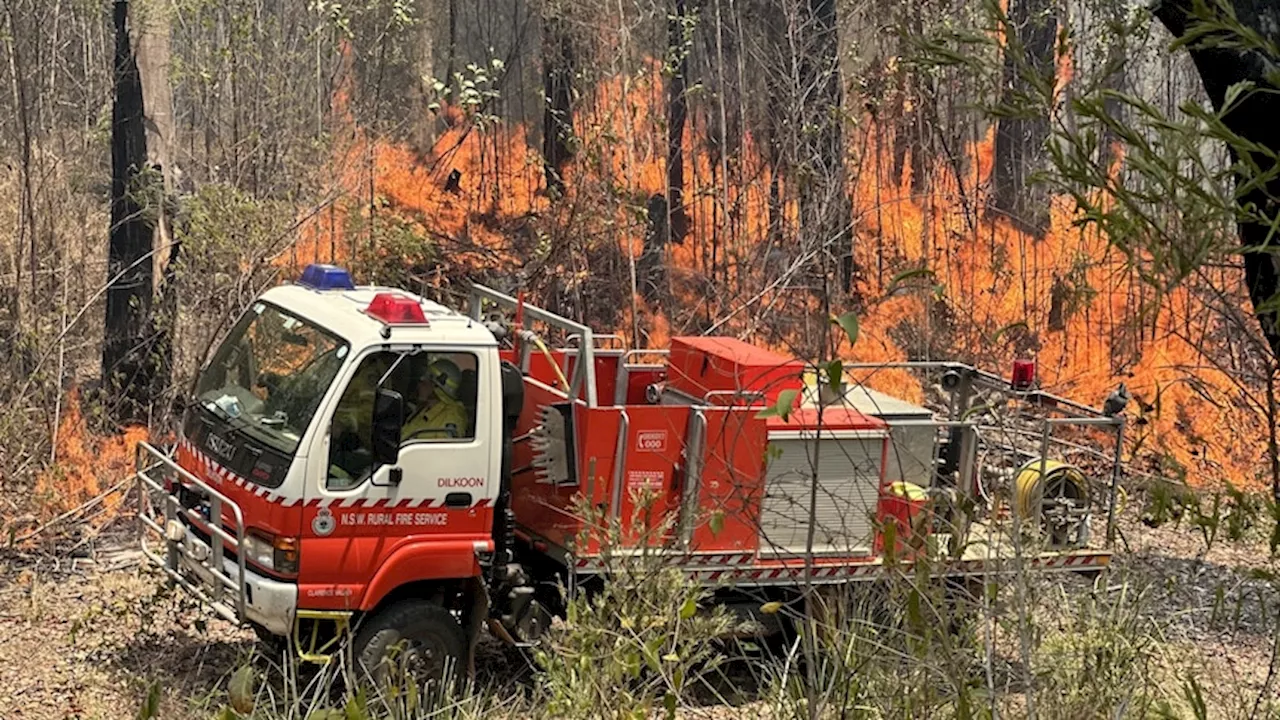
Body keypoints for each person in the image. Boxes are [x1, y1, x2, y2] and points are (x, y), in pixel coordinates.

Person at [402, 356, 469, 441]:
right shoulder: (425, 409)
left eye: (425, 381)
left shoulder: (452, 416)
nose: (420, 384)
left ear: (437, 388)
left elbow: (444, 451)